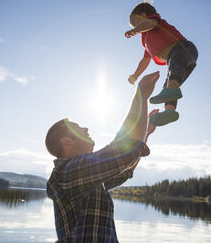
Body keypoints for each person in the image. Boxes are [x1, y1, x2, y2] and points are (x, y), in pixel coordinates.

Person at [45, 72, 160, 242]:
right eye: (78, 128)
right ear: (67, 141)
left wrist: (145, 133)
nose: (86, 129)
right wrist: (140, 96)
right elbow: (122, 152)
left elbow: (123, 168)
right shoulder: (67, 173)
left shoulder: (83, 177)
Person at [125, 2, 199, 126]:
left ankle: (171, 90)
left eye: (136, 23)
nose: (137, 29)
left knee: (175, 67)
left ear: (144, 16)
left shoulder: (154, 20)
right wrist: (135, 75)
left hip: (183, 49)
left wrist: (136, 29)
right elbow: (145, 61)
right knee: (169, 83)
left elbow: (150, 23)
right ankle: (169, 111)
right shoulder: (147, 42)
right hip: (181, 61)